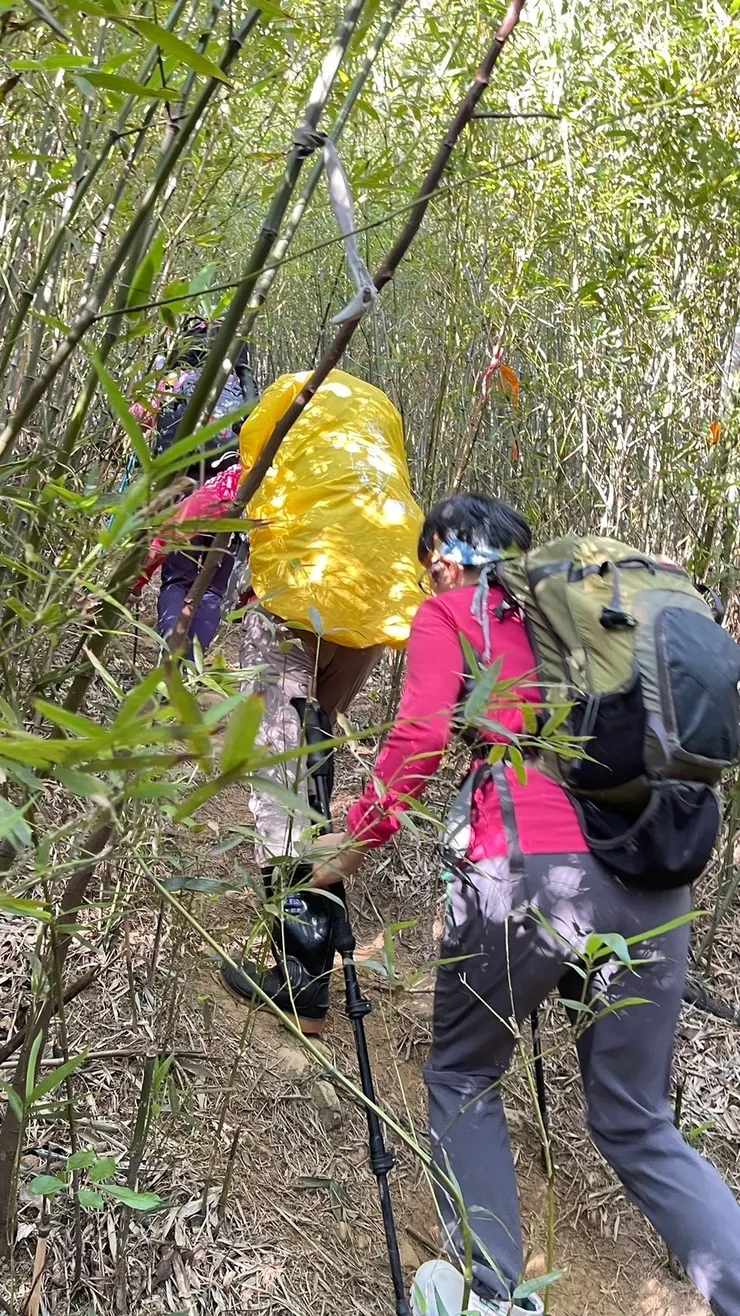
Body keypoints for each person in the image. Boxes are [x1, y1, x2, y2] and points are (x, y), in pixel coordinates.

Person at [310, 492, 740, 1316]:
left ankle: (488, 1294)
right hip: (658, 876)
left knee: (464, 1073)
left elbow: (423, 738)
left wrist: (352, 849)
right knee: (641, 1124)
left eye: (430, 557)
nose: (429, 570)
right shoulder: (603, 625)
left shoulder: (452, 612)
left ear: (445, 555)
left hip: (525, 862)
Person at [215, 368, 424, 1032]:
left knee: (284, 774)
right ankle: (312, 938)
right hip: (375, 602)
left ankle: (301, 978)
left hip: (293, 599)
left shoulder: (284, 422)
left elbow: (233, 491)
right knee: (315, 745)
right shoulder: (377, 435)